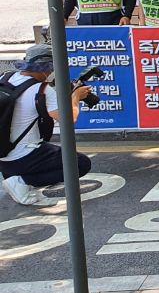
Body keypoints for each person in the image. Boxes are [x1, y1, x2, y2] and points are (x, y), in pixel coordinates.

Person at [1, 44, 93, 206]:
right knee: (81, 163)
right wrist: (76, 96)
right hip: (23, 157)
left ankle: (15, 177)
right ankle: (21, 181)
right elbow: (69, 119)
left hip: (4, 157)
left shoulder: (5, 77)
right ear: (46, 67)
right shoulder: (41, 90)